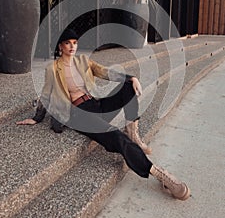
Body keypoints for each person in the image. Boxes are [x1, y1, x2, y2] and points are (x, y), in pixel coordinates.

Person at [17, 28, 190, 201]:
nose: (72, 46)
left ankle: (132, 130)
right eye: (68, 43)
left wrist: (130, 77)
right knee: (116, 136)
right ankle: (160, 175)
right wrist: (36, 118)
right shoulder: (53, 69)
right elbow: (46, 95)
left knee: (128, 87)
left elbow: (106, 72)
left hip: (96, 106)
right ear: (60, 46)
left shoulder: (83, 61)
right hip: (78, 115)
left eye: (75, 43)